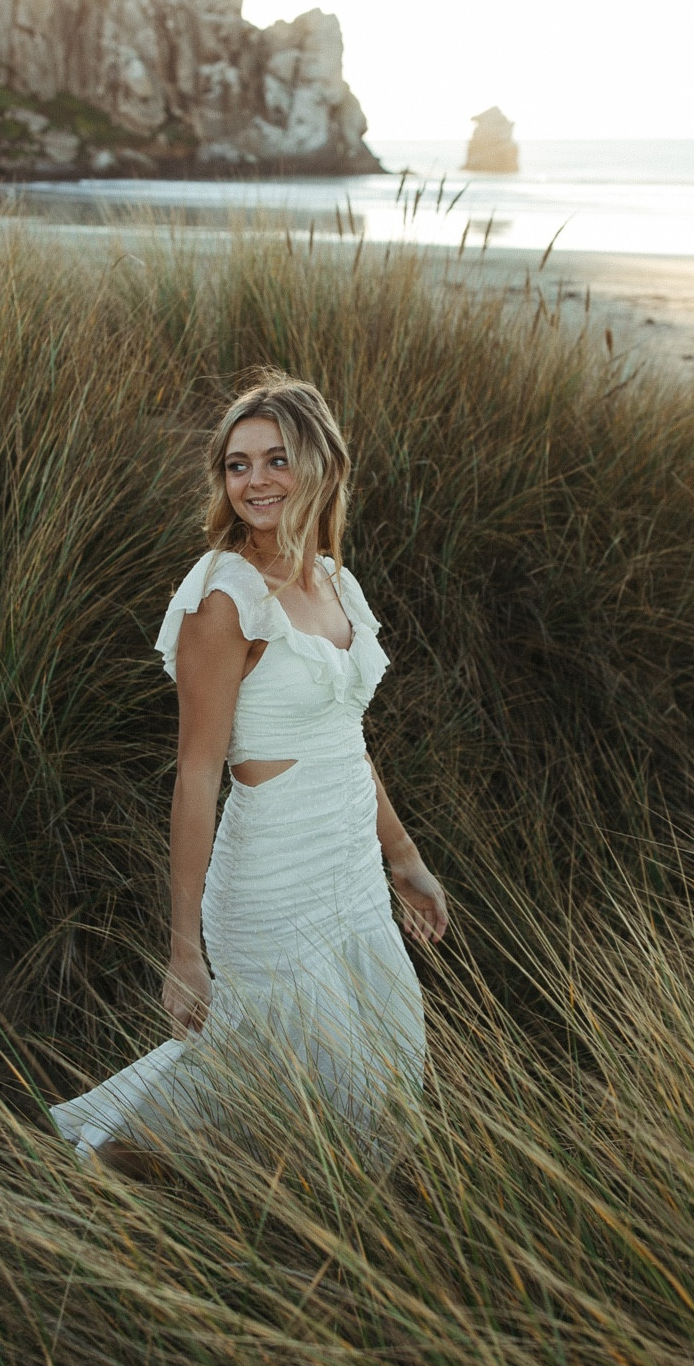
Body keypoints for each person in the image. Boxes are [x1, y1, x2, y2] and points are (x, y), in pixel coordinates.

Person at [50, 375, 448, 1167]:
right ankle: (117, 1167)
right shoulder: (223, 597)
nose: (256, 481)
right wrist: (183, 947)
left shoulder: (336, 583)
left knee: (379, 1070)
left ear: (321, 465)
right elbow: (196, 775)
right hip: (270, 879)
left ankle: (314, 1220)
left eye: (275, 460)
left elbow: (345, 742)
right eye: (237, 466)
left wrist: (403, 858)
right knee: (272, 1074)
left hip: (351, 875)